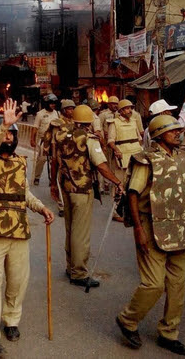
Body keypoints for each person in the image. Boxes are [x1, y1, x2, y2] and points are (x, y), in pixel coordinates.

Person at [0, 100, 54, 358]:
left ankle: (11, 320)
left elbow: (24, 193)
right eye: (4, 133)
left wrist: (41, 207)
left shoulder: (21, 162)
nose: (8, 137)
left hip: (19, 230)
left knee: (18, 282)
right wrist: (2, 126)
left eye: (11, 133)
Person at [116, 115, 185, 356]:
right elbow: (133, 194)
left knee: (177, 285)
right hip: (152, 226)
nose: (178, 133)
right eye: (172, 131)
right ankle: (128, 319)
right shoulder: (146, 160)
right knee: (153, 284)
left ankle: (169, 332)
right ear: (159, 135)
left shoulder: (183, 156)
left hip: (181, 228)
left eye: (178, 130)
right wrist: (138, 230)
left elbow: (184, 193)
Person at [49, 105, 124, 288]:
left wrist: (53, 184)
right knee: (81, 233)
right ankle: (79, 272)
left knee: (70, 229)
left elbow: (54, 161)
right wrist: (117, 182)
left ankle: (70, 266)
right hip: (82, 189)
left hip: (66, 187)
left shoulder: (60, 136)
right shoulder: (89, 139)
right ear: (89, 122)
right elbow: (101, 166)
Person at [107, 99, 143, 221]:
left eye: (130, 108)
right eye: (127, 108)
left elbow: (139, 138)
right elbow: (111, 141)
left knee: (135, 184)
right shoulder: (114, 123)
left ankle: (132, 210)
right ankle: (116, 212)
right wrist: (116, 150)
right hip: (122, 157)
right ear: (121, 111)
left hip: (135, 155)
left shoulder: (134, 122)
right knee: (120, 184)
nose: (130, 111)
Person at [30, 93, 60, 185]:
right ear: (47, 104)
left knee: (54, 160)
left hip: (54, 140)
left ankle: (52, 179)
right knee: (41, 159)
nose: (53, 105)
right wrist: (32, 140)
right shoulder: (40, 114)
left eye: (54, 103)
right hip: (44, 140)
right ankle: (37, 177)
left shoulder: (57, 113)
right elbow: (35, 128)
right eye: (51, 103)